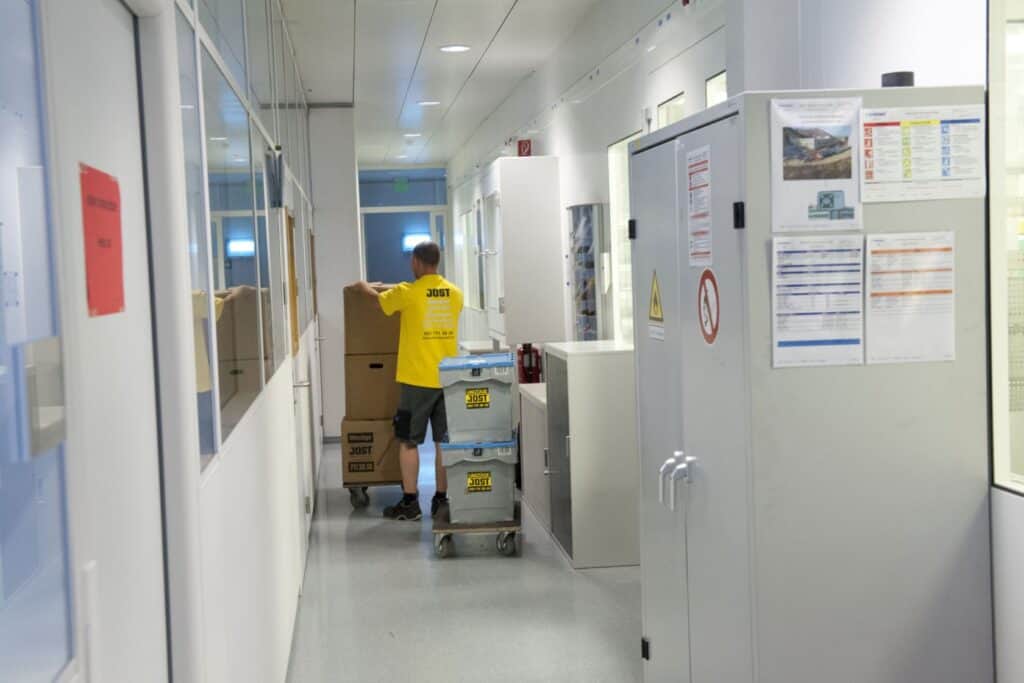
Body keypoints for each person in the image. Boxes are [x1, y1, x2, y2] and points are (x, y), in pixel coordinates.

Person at [351, 241, 463, 521]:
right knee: (444, 442)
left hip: (416, 379)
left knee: (408, 441)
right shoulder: (455, 294)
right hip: (448, 378)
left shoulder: (408, 292)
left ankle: (410, 503)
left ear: (416, 262)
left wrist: (362, 286)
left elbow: (377, 300)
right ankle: (441, 500)